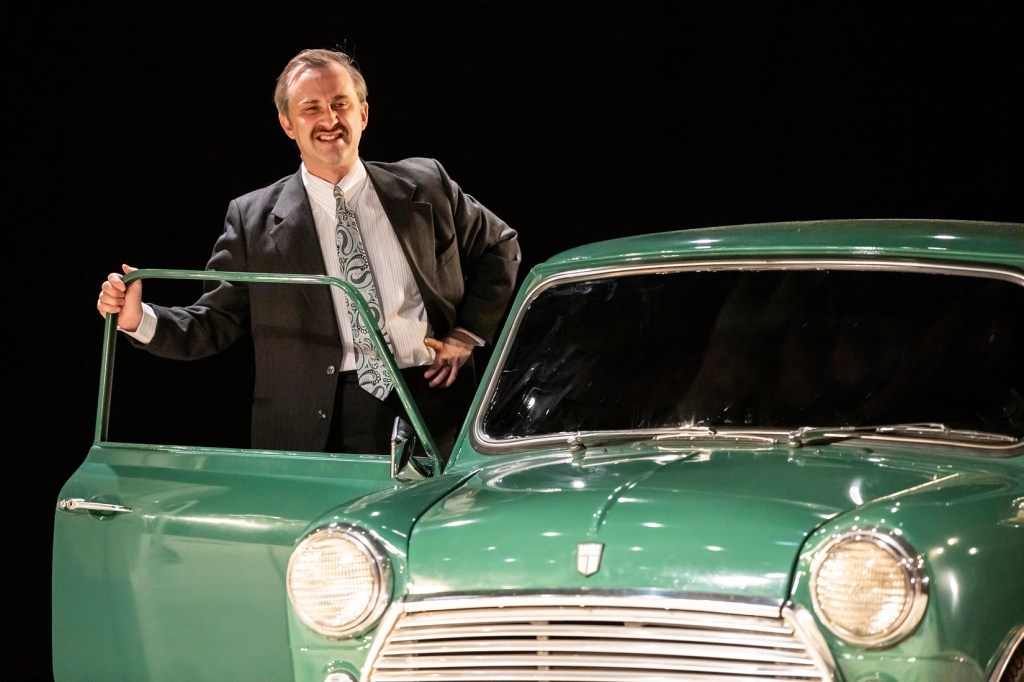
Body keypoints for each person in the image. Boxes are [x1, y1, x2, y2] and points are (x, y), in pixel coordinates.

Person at [96, 47, 520, 458]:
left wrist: (468, 334)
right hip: (321, 424)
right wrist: (137, 319)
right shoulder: (253, 219)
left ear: (363, 113)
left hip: (437, 407)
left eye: (341, 103)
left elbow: (501, 245)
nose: (330, 119)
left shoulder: (427, 184)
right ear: (287, 124)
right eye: (311, 108)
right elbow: (216, 323)